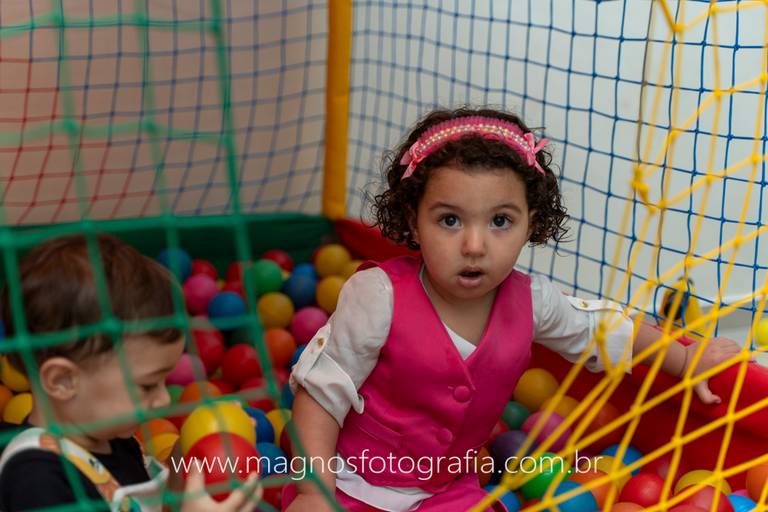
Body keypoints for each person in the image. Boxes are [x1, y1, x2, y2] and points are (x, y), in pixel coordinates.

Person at [284, 107, 742, 511]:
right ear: (413, 222)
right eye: (449, 220)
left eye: (500, 221)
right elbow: (319, 398)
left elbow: (603, 328)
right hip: (351, 485)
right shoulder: (378, 295)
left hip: (446, 494)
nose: (474, 245)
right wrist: (313, 491)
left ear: (530, 226)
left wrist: (683, 359)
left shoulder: (533, 301)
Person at [0, 234, 261, 512]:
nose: (164, 400)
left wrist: (190, 452)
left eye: (164, 381)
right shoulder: (37, 478)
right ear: (62, 380)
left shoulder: (113, 437)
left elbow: (160, 505)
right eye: (148, 385)